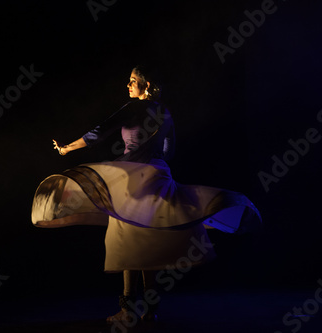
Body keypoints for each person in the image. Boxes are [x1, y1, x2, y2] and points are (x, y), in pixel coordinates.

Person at [31, 65, 261, 324]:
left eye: (132, 81)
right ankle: (149, 310)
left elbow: (98, 133)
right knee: (146, 241)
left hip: (131, 178)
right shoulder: (165, 113)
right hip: (157, 175)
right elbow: (169, 150)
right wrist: (149, 152)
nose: (128, 85)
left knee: (128, 238)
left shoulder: (131, 109)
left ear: (146, 85)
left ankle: (128, 309)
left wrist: (66, 149)